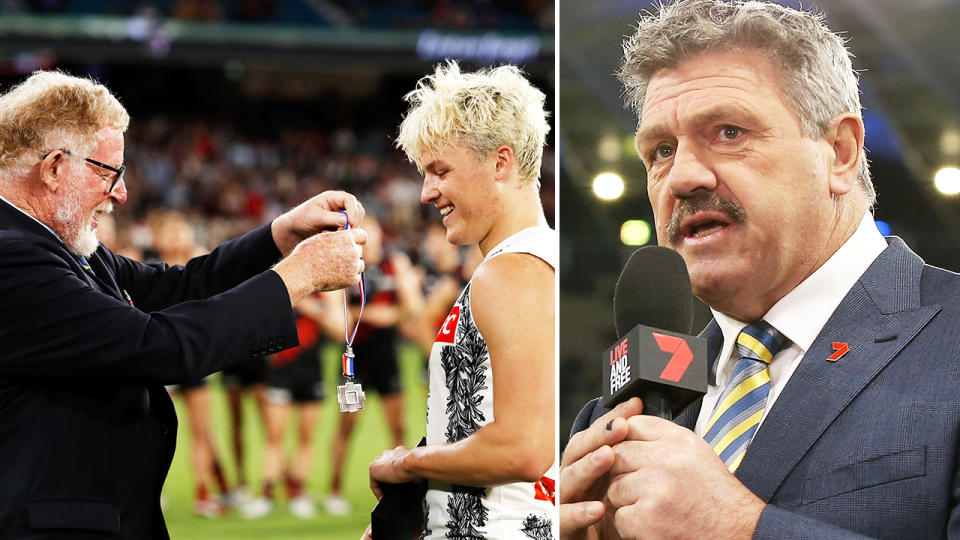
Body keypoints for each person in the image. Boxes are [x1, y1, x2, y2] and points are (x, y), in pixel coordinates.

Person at [561, 1, 960, 539]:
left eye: (728, 132)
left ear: (839, 152)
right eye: (660, 150)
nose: (682, 177)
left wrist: (737, 528)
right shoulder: (617, 421)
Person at [0, 70, 365, 539]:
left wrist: (283, 235)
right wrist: (298, 277)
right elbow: (155, 346)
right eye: (109, 172)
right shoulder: (12, 256)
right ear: (53, 169)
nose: (121, 193)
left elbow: (180, 287)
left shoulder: (57, 247)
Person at [366, 61, 556, 539]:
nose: (427, 192)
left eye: (440, 170)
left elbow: (524, 448)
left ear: (500, 162)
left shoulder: (513, 271)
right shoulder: (526, 265)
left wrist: (407, 464)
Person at [326, 214, 415, 517]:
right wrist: (375, 313)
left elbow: (409, 309)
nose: (366, 240)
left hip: (387, 356)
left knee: (397, 427)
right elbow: (340, 320)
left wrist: (378, 315)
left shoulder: (395, 263)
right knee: (346, 426)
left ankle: (402, 491)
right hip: (355, 360)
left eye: (371, 234)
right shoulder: (345, 267)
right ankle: (334, 489)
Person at [242, 292, 340, 519]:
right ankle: (266, 494)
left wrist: (313, 309)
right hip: (280, 372)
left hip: (312, 373)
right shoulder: (283, 285)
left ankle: (298, 492)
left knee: (306, 437)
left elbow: (339, 331)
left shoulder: (327, 293)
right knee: (274, 435)